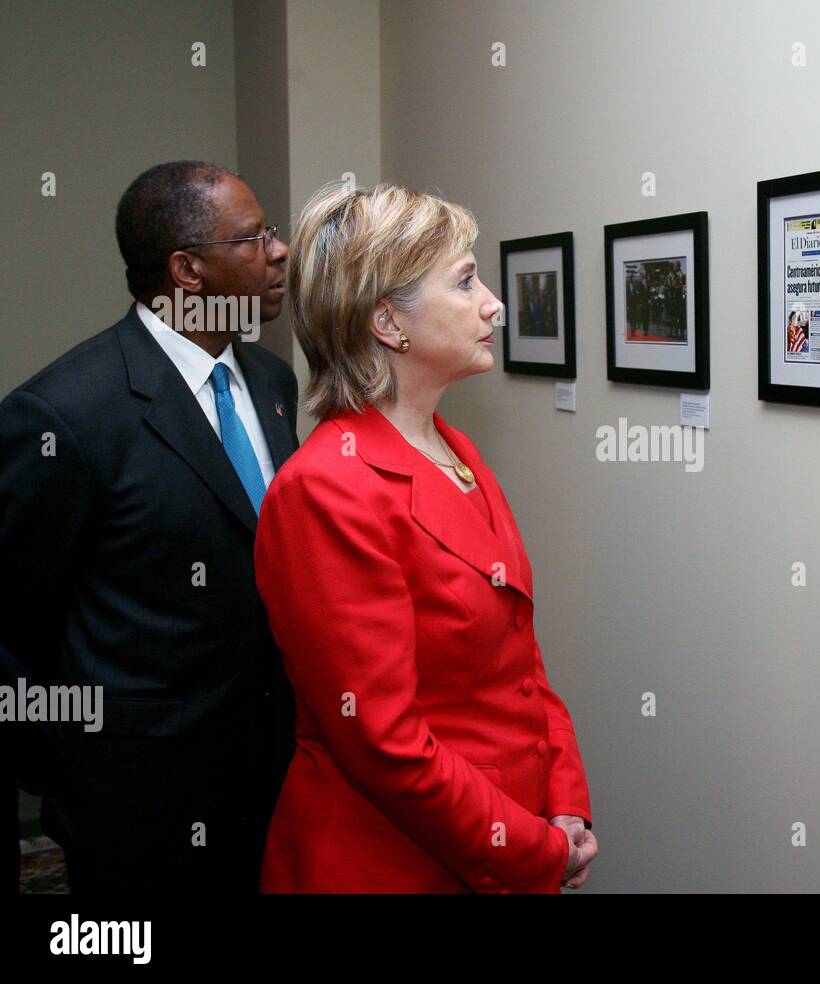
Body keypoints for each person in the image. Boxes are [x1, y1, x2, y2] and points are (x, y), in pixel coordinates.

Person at [254, 182, 597, 893]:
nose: (493, 303)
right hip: (391, 861)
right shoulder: (326, 488)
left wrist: (563, 804)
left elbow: (523, 664)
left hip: (501, 837)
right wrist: (529, 847)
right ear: (387, 321)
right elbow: (383, 743)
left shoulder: (457, 451)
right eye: (465, 281)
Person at [0, 161, 298, 893]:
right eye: (255, 237)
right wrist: (69, 763)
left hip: (278, 774)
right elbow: (12, 621)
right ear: (188, 270)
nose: (280, 250)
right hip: (140, 806)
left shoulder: (271, 382)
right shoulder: (65, 416)